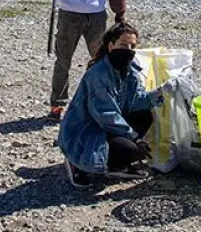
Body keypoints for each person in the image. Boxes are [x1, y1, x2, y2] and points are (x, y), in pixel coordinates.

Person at [58, 22, 168, 188]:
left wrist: (159, 94)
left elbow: (135, 100)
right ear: (111, 46)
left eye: (132, 46)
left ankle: (115, 164)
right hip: (88, 129)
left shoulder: (130, 71)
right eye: (123, 44)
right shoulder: (98, 75)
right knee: (130, 149)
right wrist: (134, 137)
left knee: (145, 114)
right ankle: (79, 164)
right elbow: (105, 114)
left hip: (108, 125)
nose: (129, 49)